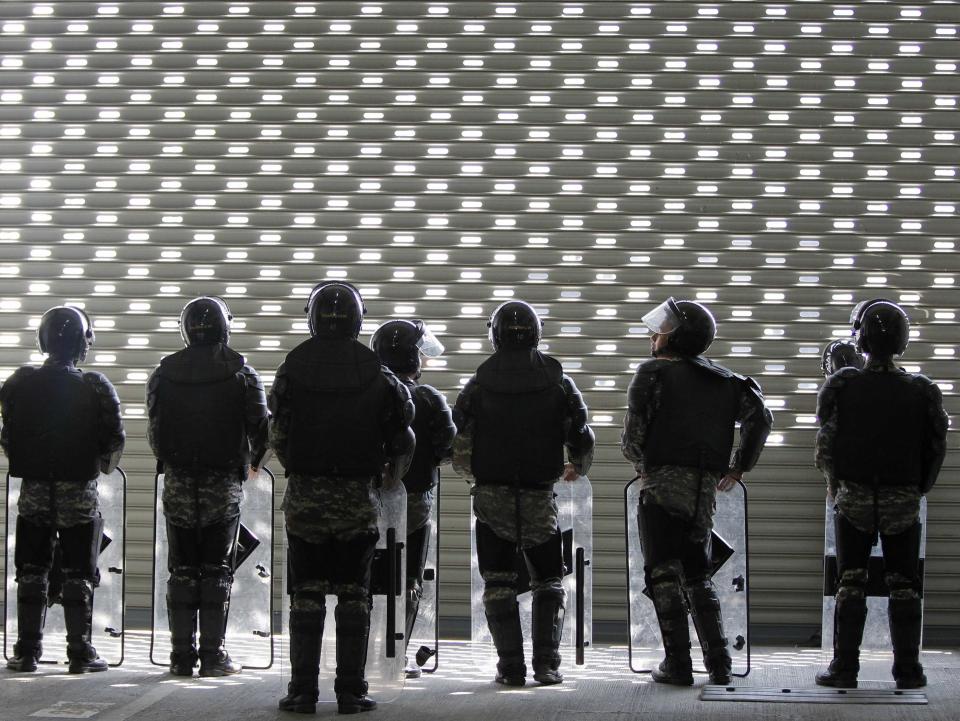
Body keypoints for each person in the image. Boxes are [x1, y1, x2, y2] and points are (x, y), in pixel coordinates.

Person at [270, 282, 415, 715]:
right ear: (358, 319)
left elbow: (277, 433)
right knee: (355, 596)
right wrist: (389, 475)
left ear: (312, 318)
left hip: (306, 499)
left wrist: (298, 469)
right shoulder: (379, 372)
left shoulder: (292, 367)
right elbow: (402, 436)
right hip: (357, 498)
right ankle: (351, 691)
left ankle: (302, 691)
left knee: (306, 596)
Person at [621, 297, 772, 686]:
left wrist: (640, 460)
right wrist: (739, 467)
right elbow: (761, 417)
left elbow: (632, 440)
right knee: (697, 573)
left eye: (661, 329)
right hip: (703, 488)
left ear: (676, 336)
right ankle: (719, 664)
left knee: (663, 573)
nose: (654, 335)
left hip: (660, 483)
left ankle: (678, 664)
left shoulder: (652, 372)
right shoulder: (727, 381)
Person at [452, 300, 594, 687]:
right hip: (538, 496)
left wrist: (473, 477)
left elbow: (459, 441)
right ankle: (546, 665)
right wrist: (577, 466)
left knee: (498, 583)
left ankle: (510, 667)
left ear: (494, 334)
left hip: (491, 495)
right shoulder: (557, 381)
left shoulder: (479, 383)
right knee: (549, 580)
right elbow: (581, 433)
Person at [814, 299, 947, 690]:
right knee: (904, 584)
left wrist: (833, 485)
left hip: (853, 496)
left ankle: (845, 669)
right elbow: (936, 445)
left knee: (850, 582)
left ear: (861, 338)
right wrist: (919, 486)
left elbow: (826, 442)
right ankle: (908, 671)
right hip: (903, 497)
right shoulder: (923, 390)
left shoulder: (840, 385)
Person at [146, 296, 269, 677]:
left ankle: (180, 656)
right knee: (217, 569)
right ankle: (214, 656)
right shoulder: (242, 374)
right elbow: (262, 430)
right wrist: (253, 464)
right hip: (222, 484)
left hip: (180, 482)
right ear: (224, 326)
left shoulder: (162, 373)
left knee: (182, 568)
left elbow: (155, 433)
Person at [1, 306, 125, 673]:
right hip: (79, 492)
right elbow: (114, 442)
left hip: (35, 491)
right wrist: (97, 466)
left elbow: (8, 439)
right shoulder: (96, 386)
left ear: (43, 339)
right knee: (78, 572)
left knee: (32, 569)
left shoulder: (19, 382)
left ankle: (26, 651)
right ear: (82, 343)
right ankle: (79, 652)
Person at [370, 319, 456, 679]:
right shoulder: (428, 398)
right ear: (410, 357)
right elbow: (449, 448)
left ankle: (358, 654)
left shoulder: (364, 392)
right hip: (414, 503)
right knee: (406, 581)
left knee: (366, 579)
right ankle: (394, 658)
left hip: (363, 502)